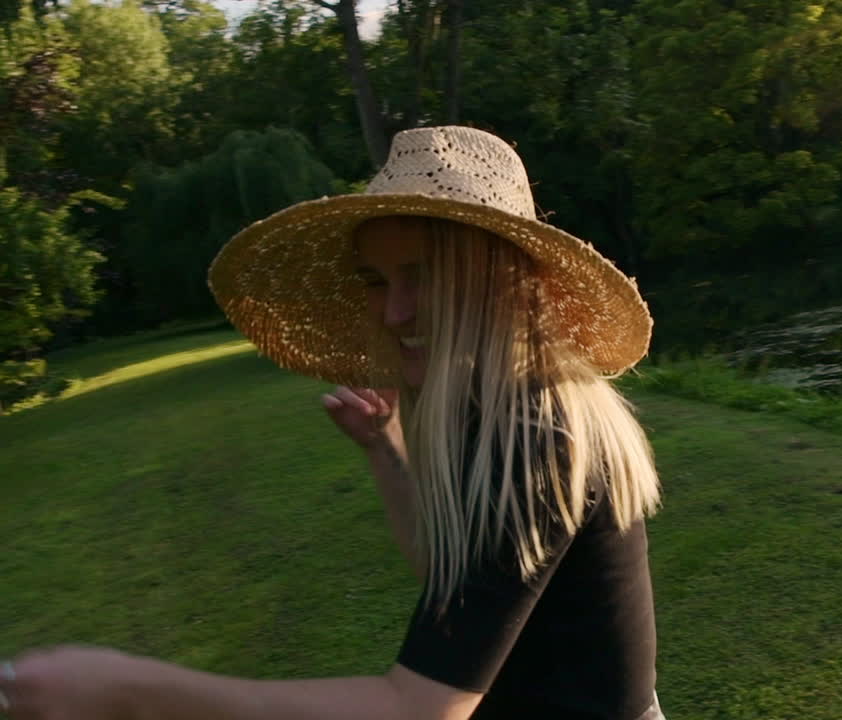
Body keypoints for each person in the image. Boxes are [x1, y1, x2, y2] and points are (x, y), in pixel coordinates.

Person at [0, 126, 665, 720]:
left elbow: (421, 707)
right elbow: (448, 575)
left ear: (502, 281)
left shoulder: (537, 432)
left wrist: (130, 693)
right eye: (375, 280)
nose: (394, 313)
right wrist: (387, 451)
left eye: (422, 276)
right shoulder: (488, 408)